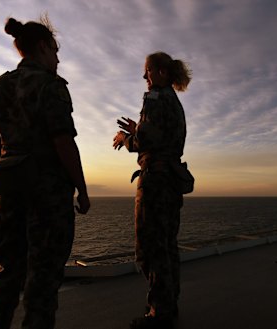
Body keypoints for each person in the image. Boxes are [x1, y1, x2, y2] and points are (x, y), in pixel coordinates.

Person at [0, 16, 90, 329]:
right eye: (55, 50)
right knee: (42, 279)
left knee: (10, 268)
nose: (57, 58)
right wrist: (81, 189)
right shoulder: (50, 86)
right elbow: (63, 142)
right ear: (42, 47)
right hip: (47, 197)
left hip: (8, 193)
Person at [113, 51, 191, 329]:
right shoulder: (173, 101)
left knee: (150, 249)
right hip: (170, 181)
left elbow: (144, 139)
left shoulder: (155, 97)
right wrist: (138, 129)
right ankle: (169, 303)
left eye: (147, 70)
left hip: (155, 181)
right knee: (167, 246)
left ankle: (159, 313)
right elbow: (159, 134)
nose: (144, 76)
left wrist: (127, 138)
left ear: (161, 72)